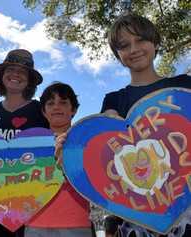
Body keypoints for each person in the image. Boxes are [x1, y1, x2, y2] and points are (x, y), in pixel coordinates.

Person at [55, 13, 191, 237]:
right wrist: (69, 152)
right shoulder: (114, 100)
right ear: (118, 55)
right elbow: (101, 158)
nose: (134, 49)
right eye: (124, 45)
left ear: (155, 42)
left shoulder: (183, 87)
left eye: (140, 40)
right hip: (135, 220)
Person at [0, 49, 49, 237]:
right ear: (1, 76)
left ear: (30, 80)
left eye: (22, 72)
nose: (15, 74)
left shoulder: (42, 111)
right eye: (10, 69)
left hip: (28, 205)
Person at [25, 82, 92, 237]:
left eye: (63, 102)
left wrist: (70, 159)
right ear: (43, 111)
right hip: (35, 223)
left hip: (76, 223)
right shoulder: (31, 143)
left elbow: (94, 180)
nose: (56, 107)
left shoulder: (86, 142)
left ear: (73, 109)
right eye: (50, 103)